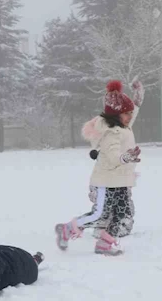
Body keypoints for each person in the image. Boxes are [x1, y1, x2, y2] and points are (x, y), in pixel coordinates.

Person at [55, 80, 143, 256]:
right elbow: (112, 158)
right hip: (106, 181)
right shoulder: (111, 133)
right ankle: (66, 229)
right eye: (127, 114)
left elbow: (135, 109)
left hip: (122, 181)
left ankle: (105, 243)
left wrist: (138, 95)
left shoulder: (124, 127)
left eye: (130, 113)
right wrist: (126, 157)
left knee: (122, 214)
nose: (130, 116)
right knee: (99, 214)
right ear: (117, 115)